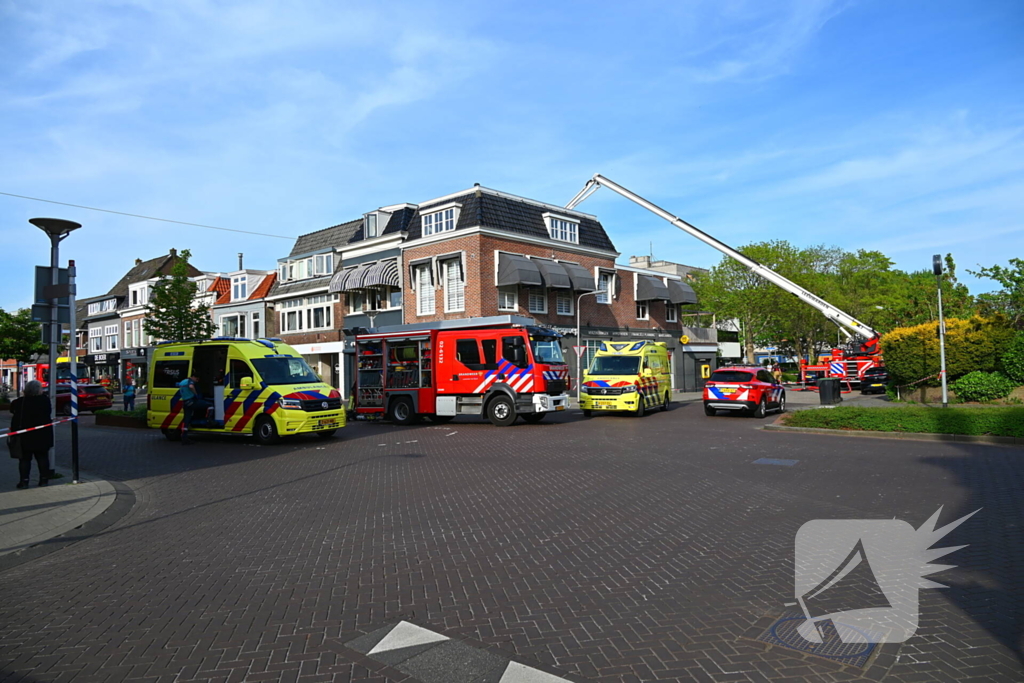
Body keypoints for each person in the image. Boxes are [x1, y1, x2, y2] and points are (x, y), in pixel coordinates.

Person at [10, 380, 53, 488]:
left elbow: (13, 412)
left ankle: (24, 481)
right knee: (43, 458)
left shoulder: (20, 402)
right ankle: (44, 480)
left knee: (24, 459)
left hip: (25, 435)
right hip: (42, 435)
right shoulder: (45, 401)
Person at [177, 373, 208, 445]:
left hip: (185, 402)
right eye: (196, 379)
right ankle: (209, 421)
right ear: (193, 377)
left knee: (186, 420)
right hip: (191, 401)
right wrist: (195, 393)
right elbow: (191, 386)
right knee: (209, 405)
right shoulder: (190, 381)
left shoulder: (183, 381)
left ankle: (184, 437)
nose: (196, 381)